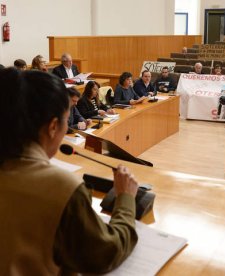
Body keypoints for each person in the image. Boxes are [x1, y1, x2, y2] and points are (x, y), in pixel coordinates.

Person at [0, 68, 138, 274]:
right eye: (66, 120)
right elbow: (106, 253)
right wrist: (126, 199)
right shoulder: (62, 187)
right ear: (53, 126)